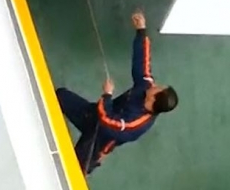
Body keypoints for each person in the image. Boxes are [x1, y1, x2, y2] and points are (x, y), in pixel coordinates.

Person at [55, 9, 179, 175]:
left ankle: (88, 165)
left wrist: (107, 95)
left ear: (154, 99)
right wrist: (141, 30)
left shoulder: (136, 124)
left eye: (158, 88)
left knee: (70, 172)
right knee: (60, 96)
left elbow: (107, 122)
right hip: (92, 115)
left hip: (98, 139)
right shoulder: (146, 86)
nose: (156, 85)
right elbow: (142, 63)